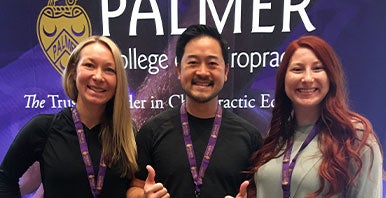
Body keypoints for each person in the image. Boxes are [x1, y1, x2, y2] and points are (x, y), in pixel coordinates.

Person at [233, 35, 383, 198]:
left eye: (317, 68)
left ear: (331, 76)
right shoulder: (277, 133)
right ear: (284, 79)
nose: (307, 78)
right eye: (297, 69)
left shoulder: (356, 137)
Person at [126, 24, 263, 198]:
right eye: (193, 62)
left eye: (212, 63)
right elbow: (134, 187)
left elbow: (258, 191)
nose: (203, 72)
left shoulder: (250, 137)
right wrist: (143, 196)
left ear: (226, 71)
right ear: (178, 70)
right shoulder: (151, 131)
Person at [0, 35, 138, 197]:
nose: (98, 77)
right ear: (73, 71)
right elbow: (5, 178)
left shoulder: (127, 133)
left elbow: (135, 187)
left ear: (118, 80)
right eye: (89, 65)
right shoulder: (43, 129)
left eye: (109, 69)